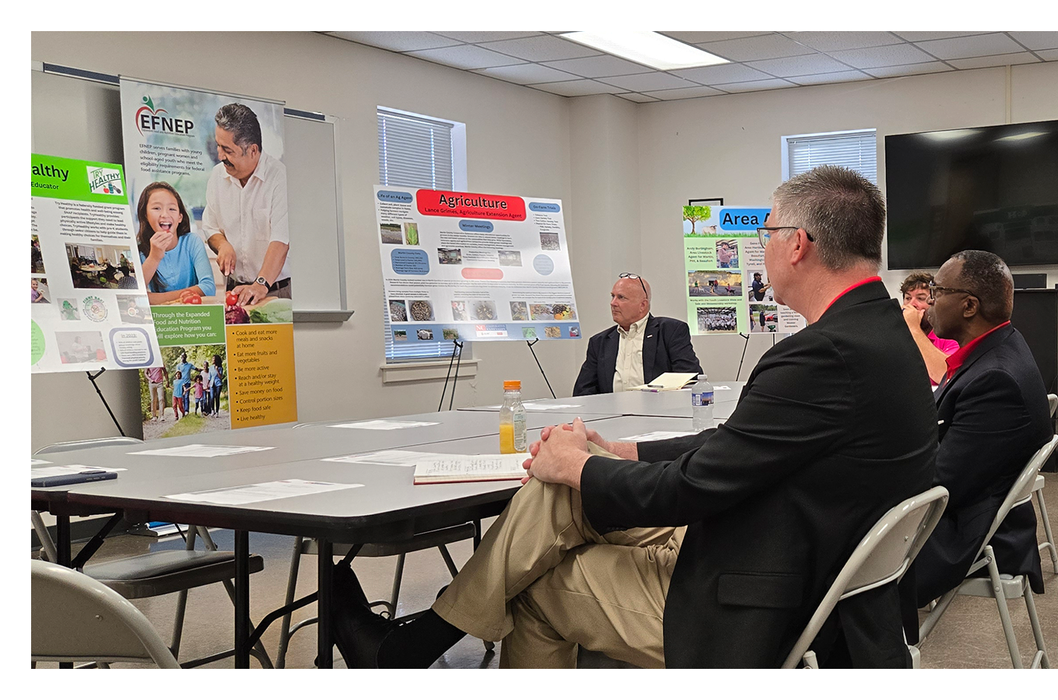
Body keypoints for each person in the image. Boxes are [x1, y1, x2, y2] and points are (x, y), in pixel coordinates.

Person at [330, 165, 938, 669]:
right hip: (802, 557)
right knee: (555, 495)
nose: (762, 246)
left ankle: (408, 647)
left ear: (797, 243)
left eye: (767, 232)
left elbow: (694, 489)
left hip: (762, 599)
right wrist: (622, 453)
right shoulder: (882, 336)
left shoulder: (820, 355)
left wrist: (576, 466)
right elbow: (739, 444)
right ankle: (413, 644)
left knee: (537, 589)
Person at [898, 250, 1051, 642]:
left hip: (965, 535)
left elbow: (938, 485)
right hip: (970, 511)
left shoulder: (995, 378)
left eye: (937, 290)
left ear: (969, 306)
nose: (929, 300)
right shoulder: (995, 350)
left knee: (818, 541)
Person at [201, 103, 291, 306]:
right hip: (235, 290)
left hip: (274, 290)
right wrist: (223, 245)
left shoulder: (279, 178)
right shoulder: (217, 176)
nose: (220, 156)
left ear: (252, 150)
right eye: (218, 146)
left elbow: (281, 241)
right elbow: (210, 227)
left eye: (227, 150)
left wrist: (260, 284)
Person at [572, 274, 702, 396]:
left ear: (642, 305)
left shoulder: (670, 331)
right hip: (612, 414)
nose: (613, 303)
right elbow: (583, 391)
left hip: (659, 412)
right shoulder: (600, 342)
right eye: (612, 296)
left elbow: (689, 378)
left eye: (621, 297)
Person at [136, 182, 215, 305]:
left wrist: (153, 299)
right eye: (157, 208)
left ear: (180, 217)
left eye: (172, 209)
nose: (165, 214)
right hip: (163, 318)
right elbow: (135, 294)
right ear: (145, 215)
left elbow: (208, 288)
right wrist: (154, 257)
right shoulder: (141, 251)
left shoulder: (192, 242)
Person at [899, 272, 959, 385]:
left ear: (934, 303)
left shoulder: (950, 336)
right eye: (907, 298)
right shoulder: (896, 335)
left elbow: (947, 377)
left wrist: (914, 328)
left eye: (920, 298)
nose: (912, 304)